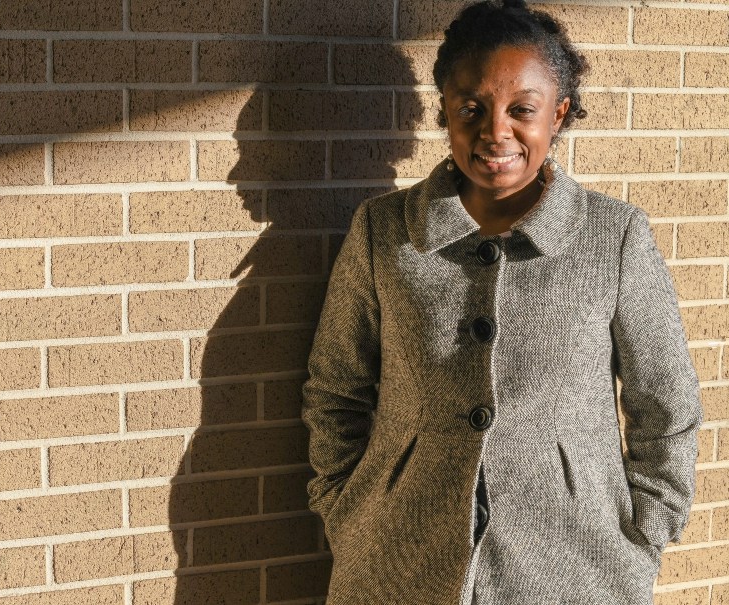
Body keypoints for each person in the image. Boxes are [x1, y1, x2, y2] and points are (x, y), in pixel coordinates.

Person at [300, 1, 704, 604]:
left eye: (522, 110)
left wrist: (642, 540)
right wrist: (347, 507)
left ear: (558, 114)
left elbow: (665, 404)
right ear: (445, 112)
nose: (495, 132)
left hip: (577, 566)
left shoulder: (613, 237)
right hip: (397, 558)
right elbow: (336, 387)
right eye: (472, 109)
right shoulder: (383, 230)